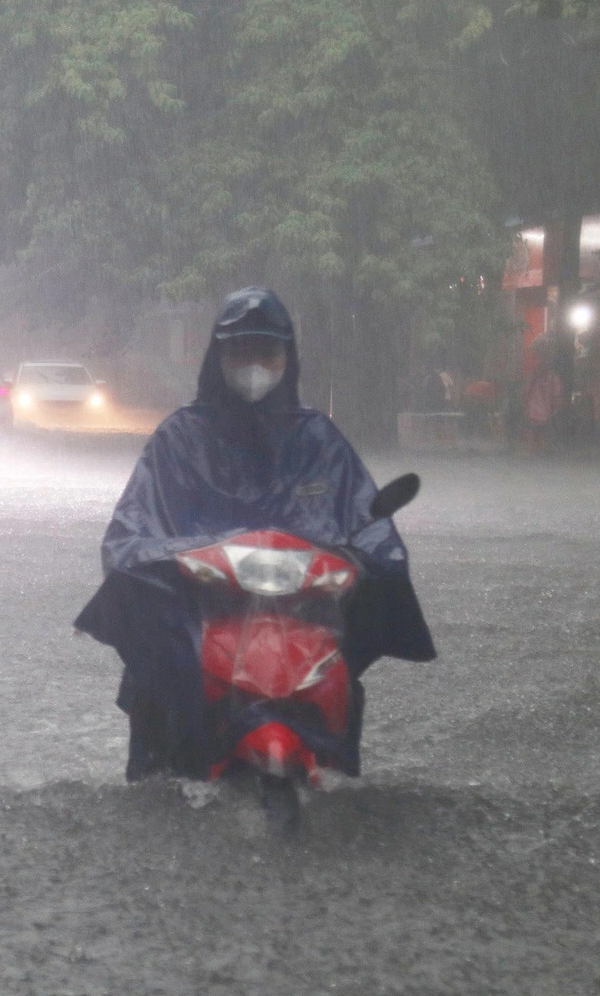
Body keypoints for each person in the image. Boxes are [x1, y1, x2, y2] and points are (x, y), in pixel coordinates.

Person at [73, 287, 435, 782]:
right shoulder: (179, 440)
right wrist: (185, 558)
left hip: (302, 616)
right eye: (241, 350)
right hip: (198, 619)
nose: (254, 363)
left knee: (345, 679)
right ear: (218, 355)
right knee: (160, 708)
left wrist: (360, 561)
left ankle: (333, 769)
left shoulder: (319, 441)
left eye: (267, 350)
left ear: (288, 356)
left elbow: (370, 530)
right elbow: (128, 538)